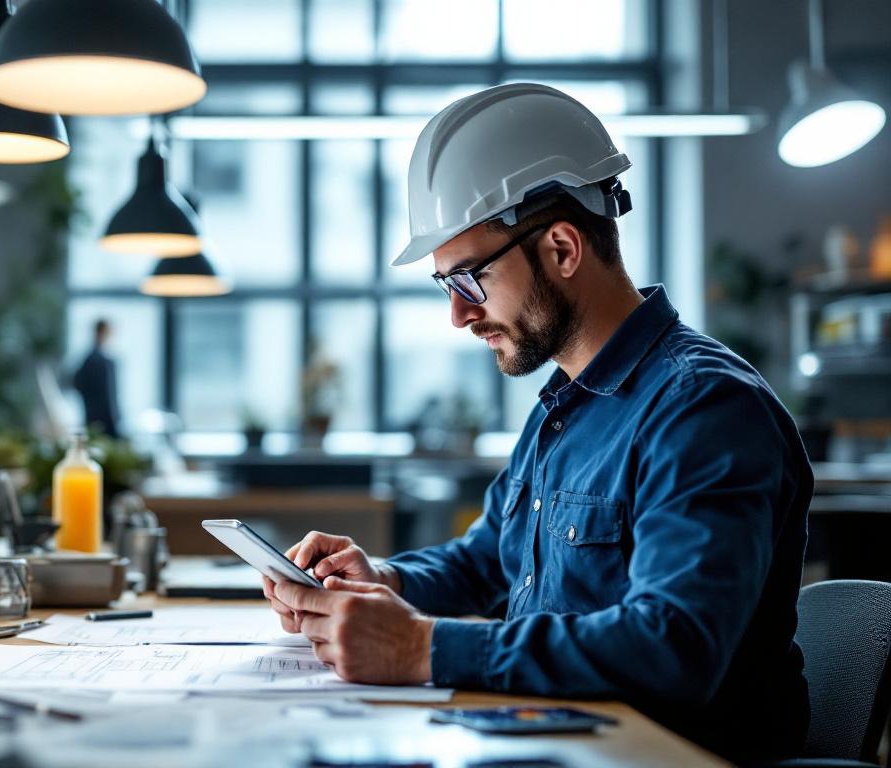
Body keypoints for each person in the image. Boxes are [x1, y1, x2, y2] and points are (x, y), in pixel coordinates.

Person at [263, 83, 811, 762]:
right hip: (552, 741)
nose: (459, 316)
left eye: (469, 280)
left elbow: (676, 646)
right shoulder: (563, 406)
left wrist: (418, 648)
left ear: (560, 248)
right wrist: (383, 579)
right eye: (447, 287)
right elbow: (489, 562)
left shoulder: (704, 409)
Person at [72, 319, 121, 438]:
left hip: (91, 417)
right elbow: (109, 396)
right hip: (102, 420)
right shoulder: (101, 362)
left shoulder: (89, 359)